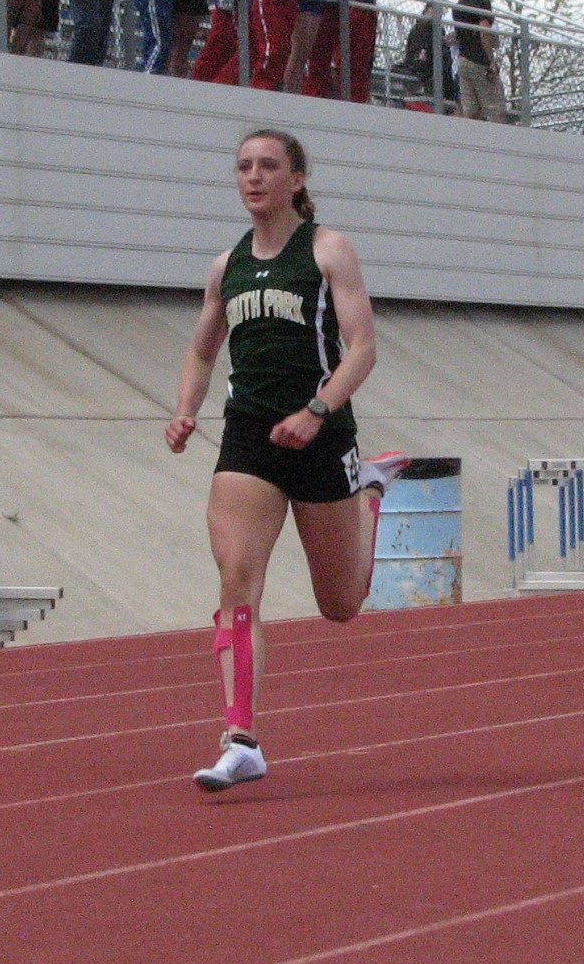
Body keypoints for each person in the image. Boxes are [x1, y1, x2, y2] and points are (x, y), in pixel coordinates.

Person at [165, 128, 409, 791]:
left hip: (322, 435)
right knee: (237, 580)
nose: (253, 177)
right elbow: (201, 349)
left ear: (296, 179)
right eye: (243, 166)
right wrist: (187, 408)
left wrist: (318, 411)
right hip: (248, 436)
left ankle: (373, 493)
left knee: (342, 604)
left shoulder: (329, 251)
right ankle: (240, 737)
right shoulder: (227, 265)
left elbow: (362, 347)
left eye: (268, 166)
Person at [450, 0, 505, 122]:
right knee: (496, 107)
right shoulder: (483, 4)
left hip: (463, 60)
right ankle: (500, 140)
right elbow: (484, 31)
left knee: (470, 109)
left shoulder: (458, 7)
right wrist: (491, 60)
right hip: (479, 61)